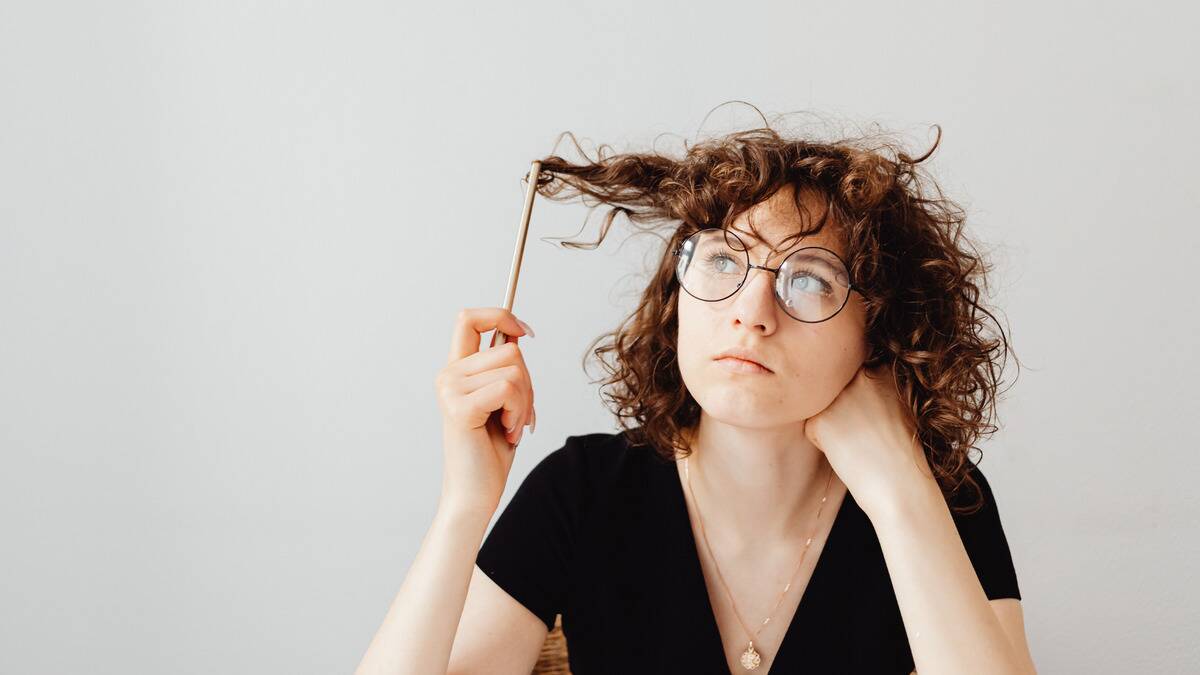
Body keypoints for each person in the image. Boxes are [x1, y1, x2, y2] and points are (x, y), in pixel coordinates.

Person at [353, 121, 1038, 675]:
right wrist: (464, 505)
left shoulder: (943, 497)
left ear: (880, 331)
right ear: (677, 296)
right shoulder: (583, 491)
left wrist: (899, 492)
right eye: (722, 259)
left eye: (809, 279)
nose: (752, 311)